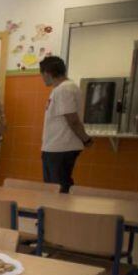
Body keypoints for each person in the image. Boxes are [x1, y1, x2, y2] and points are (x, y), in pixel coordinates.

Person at [40, 55, 91, 192]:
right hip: (57, 147)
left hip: (61, 147)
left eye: (42, 75)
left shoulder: (64, 89)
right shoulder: (63, 89)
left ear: (46, 73)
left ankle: (59, 212)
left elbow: (72, 119)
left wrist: (85, 139)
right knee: (55, 187)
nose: (42, 78)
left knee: (58, 188)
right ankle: (56, 211)